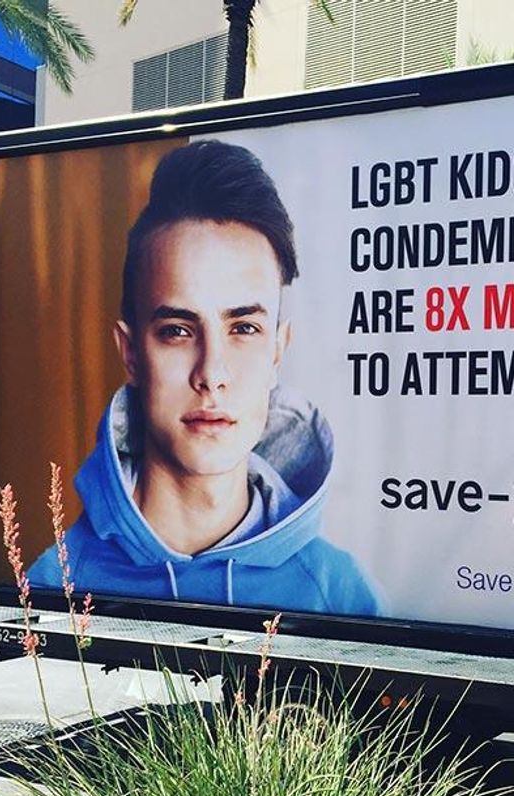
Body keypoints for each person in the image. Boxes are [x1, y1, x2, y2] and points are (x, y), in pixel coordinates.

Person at [29, 140, 379, 616]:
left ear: (277, 352)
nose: (212, 374)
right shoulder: (50, 585)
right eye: (177, 331)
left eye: (244, 328)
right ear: (131, 352)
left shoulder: (340, 592)